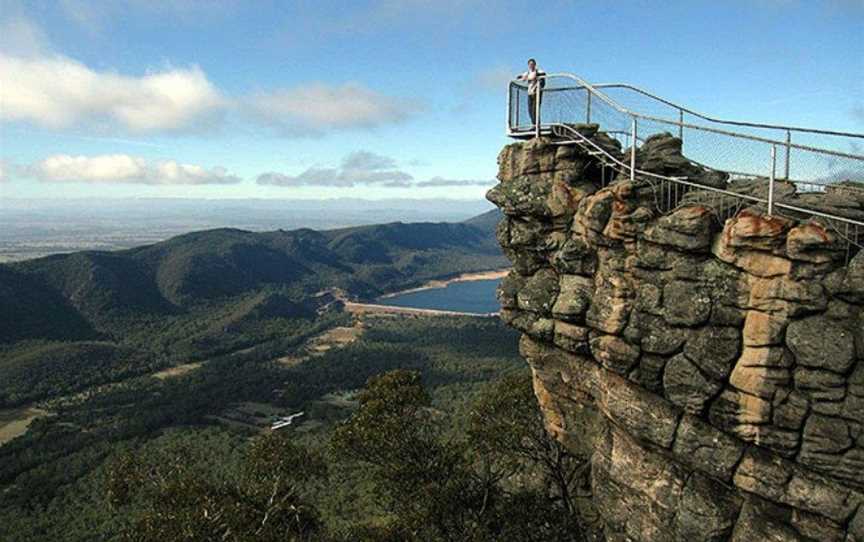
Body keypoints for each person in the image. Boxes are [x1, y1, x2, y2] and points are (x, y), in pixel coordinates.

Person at [517, 58, 546, 128]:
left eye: (532, 64)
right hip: (530, 93)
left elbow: (543, 77)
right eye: (530, 64)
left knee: (535, 109)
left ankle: (536, 126)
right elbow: (520, 77)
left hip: (537, 93)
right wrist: (522, 77)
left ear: (535, 65)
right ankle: (534, 124)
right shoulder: (527, 73)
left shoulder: (538, 71)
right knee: (530, 110)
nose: (531, 65)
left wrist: (537, 77)